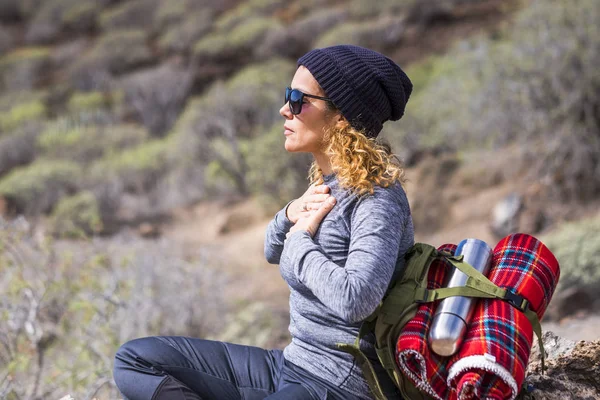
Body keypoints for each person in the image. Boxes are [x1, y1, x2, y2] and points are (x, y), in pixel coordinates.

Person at [113, 44, 415, 400]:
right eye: (287, 96)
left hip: (338, 384)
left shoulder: (376, 197)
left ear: (341, 117)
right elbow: (272, 249)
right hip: (292, 364)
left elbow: (356, 299)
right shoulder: (329, 182)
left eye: (298, 99)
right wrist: (290, 214)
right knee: (135, 360)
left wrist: (300, 241)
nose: (284, 109)